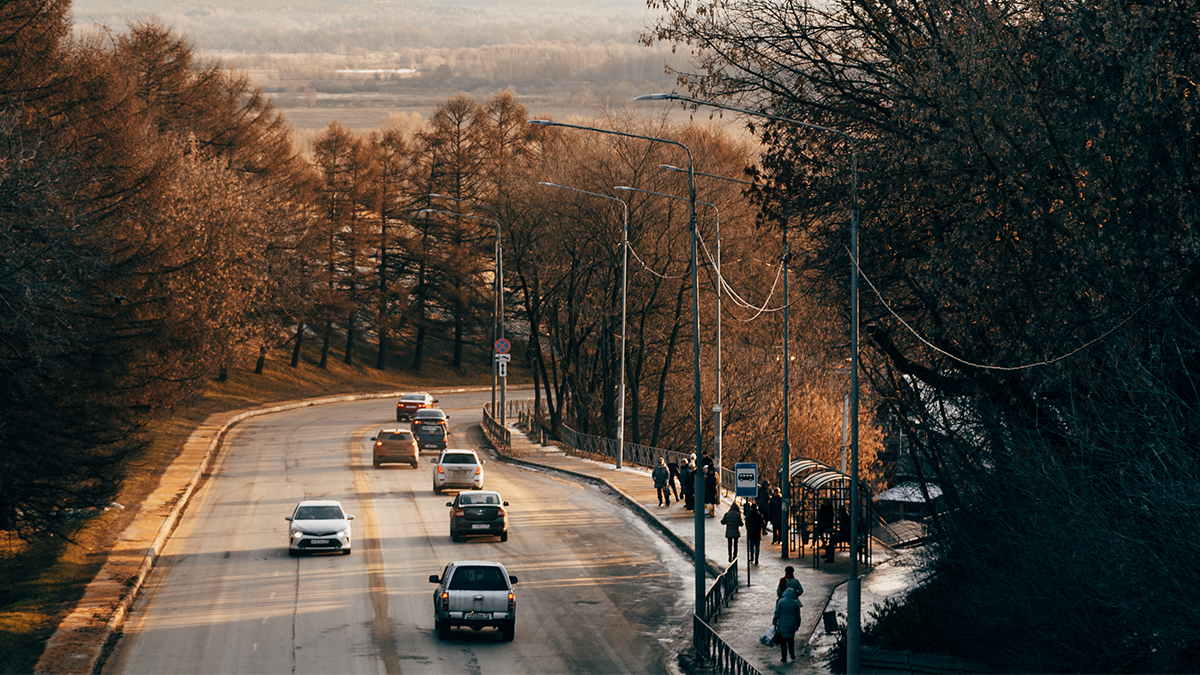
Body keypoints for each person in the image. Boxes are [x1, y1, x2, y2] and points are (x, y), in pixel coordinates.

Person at [773, 586, 803, 664]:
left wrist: (775, 621)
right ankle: (792, 653)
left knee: (783, 642)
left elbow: (777, 613)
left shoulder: (781, 601)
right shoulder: (795, 603)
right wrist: (798, 624)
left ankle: (784, 657)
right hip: (792, 625)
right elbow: (798, 616)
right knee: (790, 640)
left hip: (782, 624)